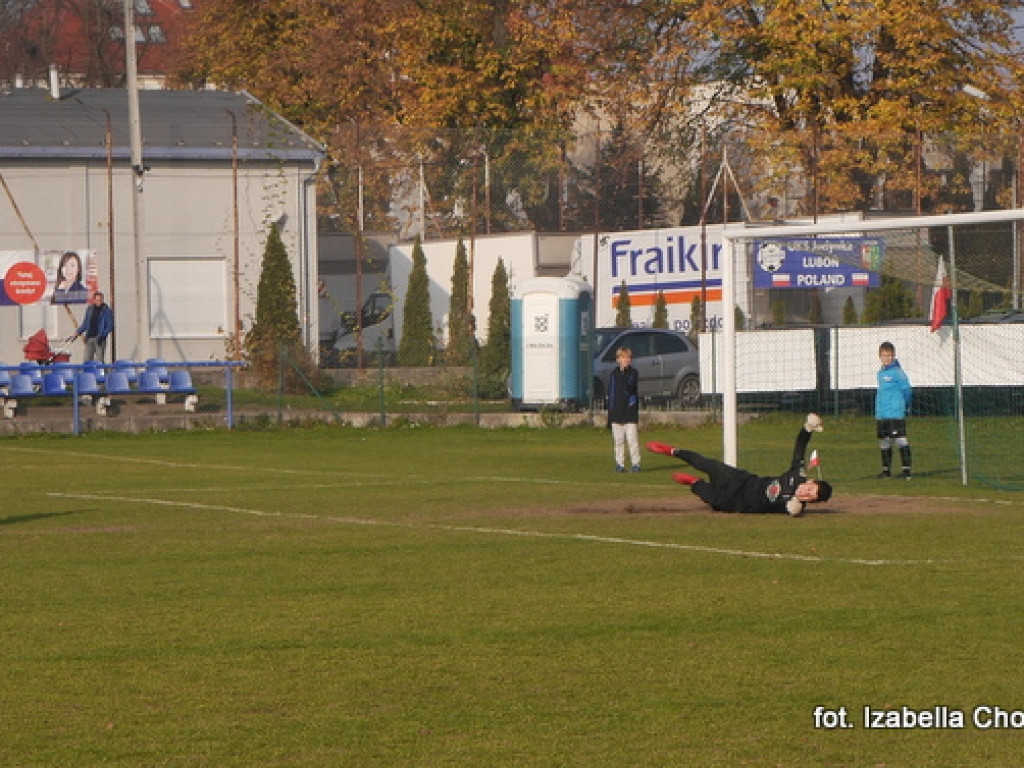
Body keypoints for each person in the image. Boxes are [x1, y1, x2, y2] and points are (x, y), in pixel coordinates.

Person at [646, 413, 832, 516]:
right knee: (707, 464)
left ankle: (693, 482)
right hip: (741, 481)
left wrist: (794, 508)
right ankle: (671, 450)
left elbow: (790, 510)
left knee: (713, 500)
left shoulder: (795, 505)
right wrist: (808, 427)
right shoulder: (797, 475)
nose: (805, 494)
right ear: (810, 481)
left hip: (736, 503)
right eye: (810, 489)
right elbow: (800, 447)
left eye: (810, 497)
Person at [876, 340, 912, 479]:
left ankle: (906, 471)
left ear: (894, 356)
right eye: (884, 355)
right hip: (882, 413)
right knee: (884, 441)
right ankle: (886, 471)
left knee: (901, 440)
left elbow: (906, 390)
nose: (887, 358)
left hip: (895, 412)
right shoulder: (880, 372)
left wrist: (906, 405)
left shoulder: (898, 372)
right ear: (880, 356)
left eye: (889, 355)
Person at [607, 346, 641, 472]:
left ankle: (636, 463)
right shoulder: (614, 374)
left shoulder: (633, 373)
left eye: (628, 358)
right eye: (623, 357)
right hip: (617, 412)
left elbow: (629, 388)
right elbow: (611, 393)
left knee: (632, 440)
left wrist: (624, 372)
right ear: (618, 359)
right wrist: (610, 414)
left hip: (629, 412)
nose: (625, 360)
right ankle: (619, 464)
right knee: (618, 441)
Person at [73, 291, 114, 363]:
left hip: (100, 339)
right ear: (94, 300)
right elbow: (85, 323)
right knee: (87, 359)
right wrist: (78, 332)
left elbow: (110, 326)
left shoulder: (107, 311)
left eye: (101, 300)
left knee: (99, 360)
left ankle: (101, 373)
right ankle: (87, 373)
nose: (99, 302)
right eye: (97, 300)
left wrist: (103, 335)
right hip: (89, 338)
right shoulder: (90, 309)